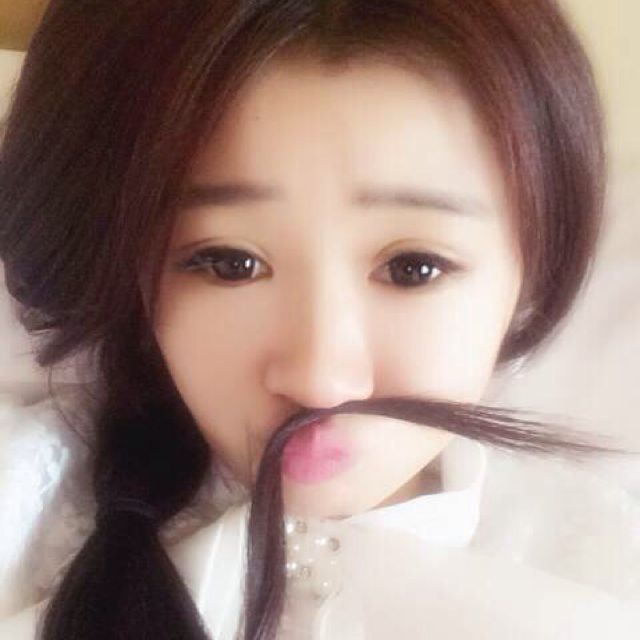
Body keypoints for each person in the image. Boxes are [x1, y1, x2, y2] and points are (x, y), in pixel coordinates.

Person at [0, 1, 639, 638]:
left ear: (530, 274)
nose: (320, 382)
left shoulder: (605, 567)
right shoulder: (22, 510)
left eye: (413, 268)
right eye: (229, 264)